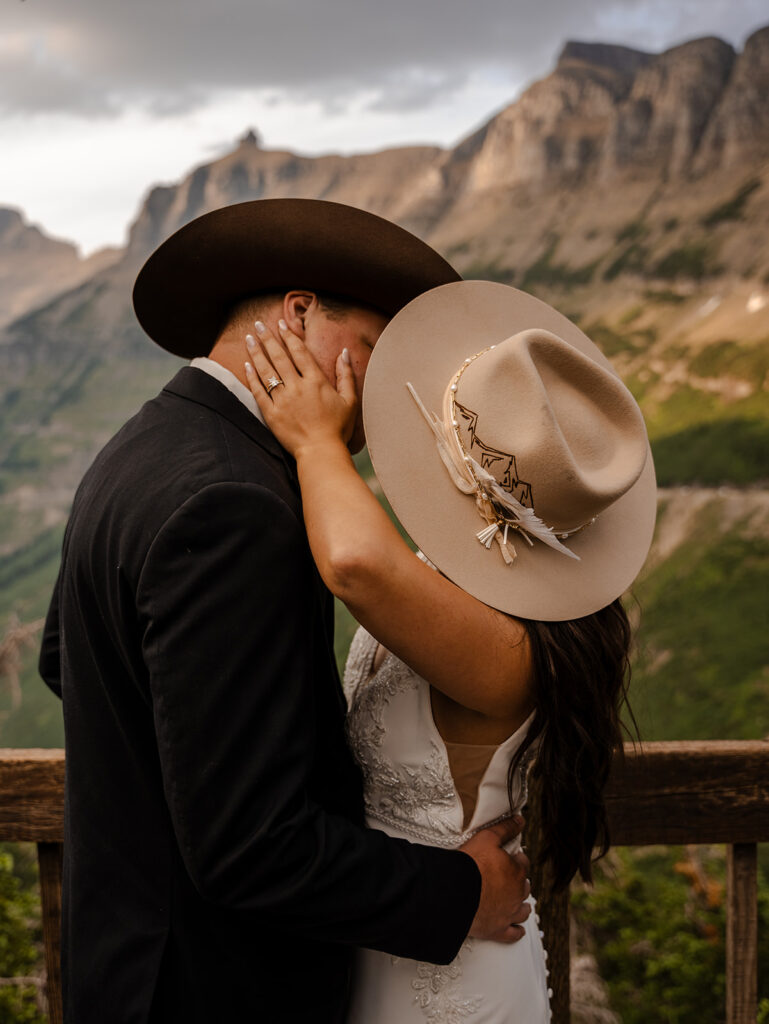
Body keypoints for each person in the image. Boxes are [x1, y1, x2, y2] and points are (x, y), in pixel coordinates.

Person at [38, 201, 533, 1024]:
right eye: (376, 352)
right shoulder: (237, 502)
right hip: (209, 987)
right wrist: (460, 894)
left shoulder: (145, 443)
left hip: (127, 965)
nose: (386, 393)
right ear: (299, 312)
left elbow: (67, 660)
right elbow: (248, 848)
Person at [241, 278, 657, 1023]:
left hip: (447, 972)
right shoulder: (476, 598)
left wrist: (313, 440)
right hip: (410, 929)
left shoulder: (509, 645)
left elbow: (356, 565)